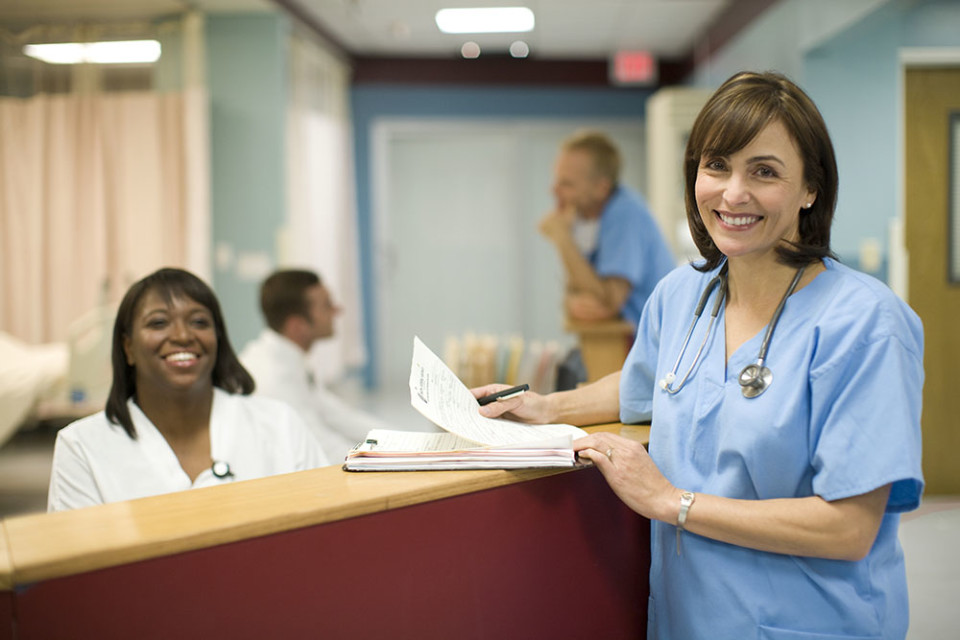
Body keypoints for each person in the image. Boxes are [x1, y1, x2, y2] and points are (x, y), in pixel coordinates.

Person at [474, 71, 924, 639]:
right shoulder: (683, 293)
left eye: (764, 171)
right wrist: (545, 408)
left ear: (811, 188)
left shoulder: (864, 324)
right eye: (717, 166)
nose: (733, 193)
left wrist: (670, 500)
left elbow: (849, 527)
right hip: (690, 617)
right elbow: (649, 385)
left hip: (811, 621)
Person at [48, 268, 328, 512]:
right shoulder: (82, 448)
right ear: (128, 347)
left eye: (199, 322)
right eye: (158, 323)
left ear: (217, 339)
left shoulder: (279, 425)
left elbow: (323, 529)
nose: (183, 336)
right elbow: (76, 565)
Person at [240, 269, 387, 463]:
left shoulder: (289, 359)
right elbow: (321, 447)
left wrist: (406, 441)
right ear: (297, 325)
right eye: (327, 306)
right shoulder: (274, 377)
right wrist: (391, 459)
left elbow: (337, 415)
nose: (337, 310)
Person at [540, 130, 675, 326]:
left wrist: (562, 238)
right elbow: (577, 292)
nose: (554, 191)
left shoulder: (624, 214)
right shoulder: (589, 220)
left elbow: (609, 300)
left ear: (601, 188)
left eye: (566, 184)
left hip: (653, 345)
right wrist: (573, 301)